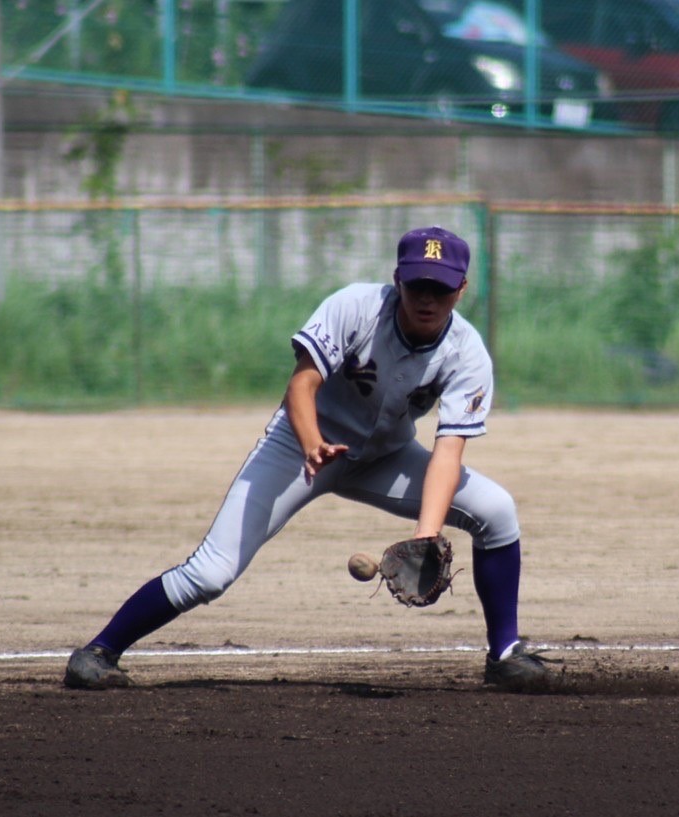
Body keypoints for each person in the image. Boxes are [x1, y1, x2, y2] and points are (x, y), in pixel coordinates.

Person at [64, 226, 553, 692]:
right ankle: (99, 652)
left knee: (497, 511)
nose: (428, 299)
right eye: (418, 285)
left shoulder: (466, 352)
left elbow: (449, 451)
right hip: (299, 446)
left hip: (385, 456)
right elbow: (302, 383)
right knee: (210, 573)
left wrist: (426, 536)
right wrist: (312, 441)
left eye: (441, 289)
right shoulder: (356, 307)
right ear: (397, 279)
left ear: (462, 289)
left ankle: (505, 655)